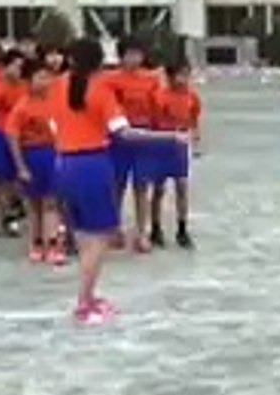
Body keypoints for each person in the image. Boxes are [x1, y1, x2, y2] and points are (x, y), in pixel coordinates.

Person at [49, 38, 182, 324]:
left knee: (85, 236)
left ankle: (89, 296)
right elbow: (125, 134)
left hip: (63, 163)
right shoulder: (101, 90)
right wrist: (169, 137)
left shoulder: (58, 85)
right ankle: (84, 302)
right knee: (99, 237)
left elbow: (53, 125)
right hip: (92, 164)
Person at [101, 37, 159, 251]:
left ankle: (141, 233)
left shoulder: (151, 80)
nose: (134, 59)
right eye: (129, 54)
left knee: (142, 186)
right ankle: (114, 229)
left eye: (138, 54)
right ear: (120, 56)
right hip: (118, 137)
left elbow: (156, 108)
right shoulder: (109, 80)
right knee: (117, 185)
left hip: (143, 137)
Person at [5, 59, 65, 266]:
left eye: (47, 77)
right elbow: (12, 136)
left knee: (51, 202)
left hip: (52, 154)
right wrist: (21, 166)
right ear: (29, 81)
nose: (45, 82)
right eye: (39, 77)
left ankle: (53, 243)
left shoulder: (57, 103)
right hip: (31, 154)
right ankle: (36, 242)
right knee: (33, 204)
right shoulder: (22, 107)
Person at [146, 59, 202, 250]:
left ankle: (182, 229)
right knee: (159, 189)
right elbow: (152, 123)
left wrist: (194, 140)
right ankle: (155, 228)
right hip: (161, 144)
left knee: (182, 187)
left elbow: (194, 122)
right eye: (180, 75)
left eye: (187, 74)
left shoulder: (192, 97)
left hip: (180, 147)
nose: (184, 79)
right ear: (170, 76)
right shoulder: (159, 96)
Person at [0, 50, 29, 236]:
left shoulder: (26, 88)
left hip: (21, 136)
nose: (18, 70)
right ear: (5, 67)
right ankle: (6, 215)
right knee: (2, 178)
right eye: (15, 66)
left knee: (20, 177)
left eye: (21, 67)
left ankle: (17, 210)